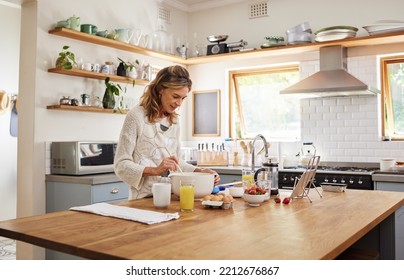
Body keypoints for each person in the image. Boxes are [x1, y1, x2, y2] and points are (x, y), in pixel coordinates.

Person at [114, 65, 220, 199]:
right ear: (160, 89)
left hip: (173, 197)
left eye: (183, 98)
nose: (179, 103)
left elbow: (176, 164)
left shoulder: (174, 121)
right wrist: (155, 170)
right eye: (176, 96)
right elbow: (121, 165)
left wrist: (201, 172)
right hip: (144, 200)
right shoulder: (136, 116)